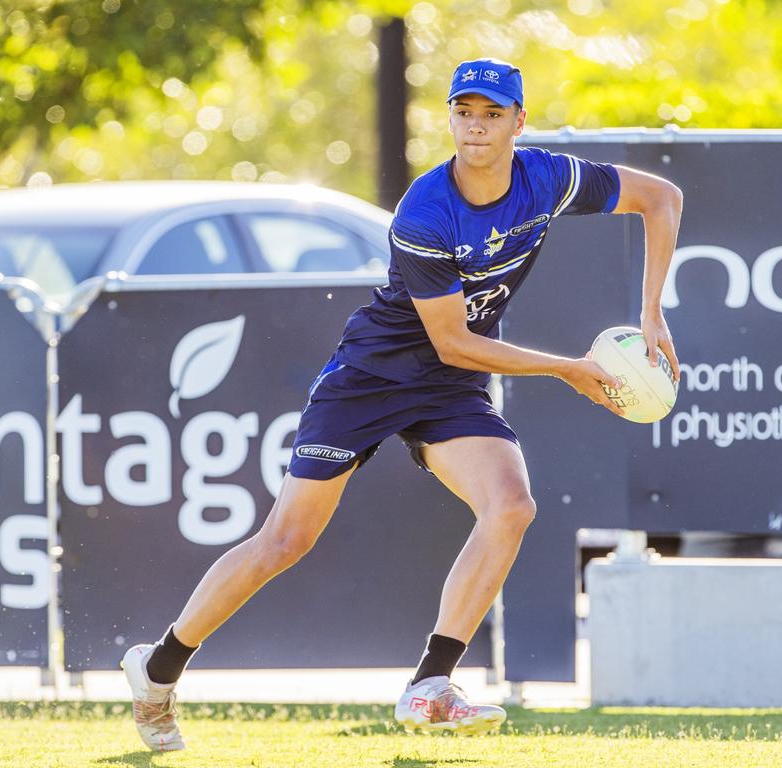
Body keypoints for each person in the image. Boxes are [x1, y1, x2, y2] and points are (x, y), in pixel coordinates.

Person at [121, 57, 683, 750]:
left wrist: (650, 312)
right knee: (286, 540)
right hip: (372, 376)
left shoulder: (548, 178)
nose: (475, 127)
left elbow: (661, 198)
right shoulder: (425, 209)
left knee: (511, 506)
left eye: (492, 114)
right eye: (464, 112)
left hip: (446, 389)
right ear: (449, 118)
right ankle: (158, 668)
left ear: (518, 121)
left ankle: (430, 683)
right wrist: (570, 368)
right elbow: (452, 341)